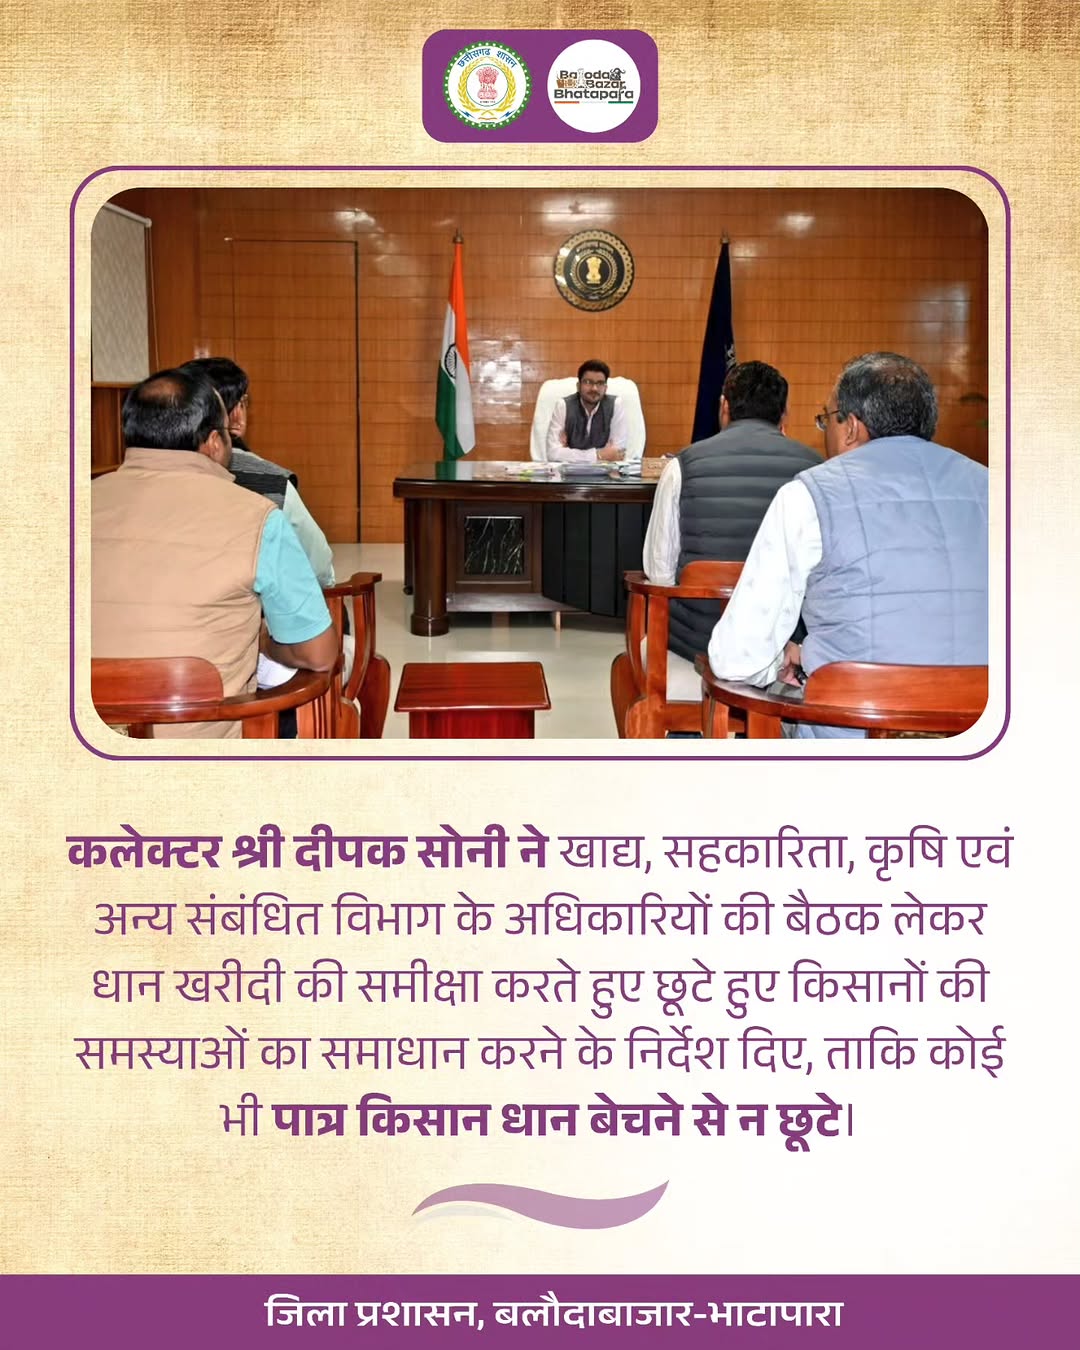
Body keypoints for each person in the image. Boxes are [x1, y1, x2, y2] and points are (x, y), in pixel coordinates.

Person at [707, 352, 989, 738]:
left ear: (852, 427)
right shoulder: (997, 489)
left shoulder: (808, 495)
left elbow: (738, 661)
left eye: (826, 419)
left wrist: (782, 662)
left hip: (850, 739)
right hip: (980, 737)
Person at [92, 367, 337, 738]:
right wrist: (265, 644)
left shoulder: (69, 507)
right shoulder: (257, 517)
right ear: (213, 443)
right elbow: (319, 655)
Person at [643, 361, 820, 697]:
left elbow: (659, 572)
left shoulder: (682, 466)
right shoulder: (817, 471)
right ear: (784, 414)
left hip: (696, 645)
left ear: (724, 407)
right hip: (785, 654)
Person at [180, 357, 335, 587]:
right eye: (242, 402)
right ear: (232, 414)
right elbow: (320, 568)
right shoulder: (272, 482)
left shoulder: (145, 480)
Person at [545, 359, 628, 462]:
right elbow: (553, 453)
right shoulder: (563, 406)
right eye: (588, 382)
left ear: (605, 388)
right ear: (578, 386)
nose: (594, 388)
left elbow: (618, 453)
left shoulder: (615, 404)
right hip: (570, 471)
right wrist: (599, 455)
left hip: (605, 471)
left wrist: (568, 453)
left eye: (600, 383)